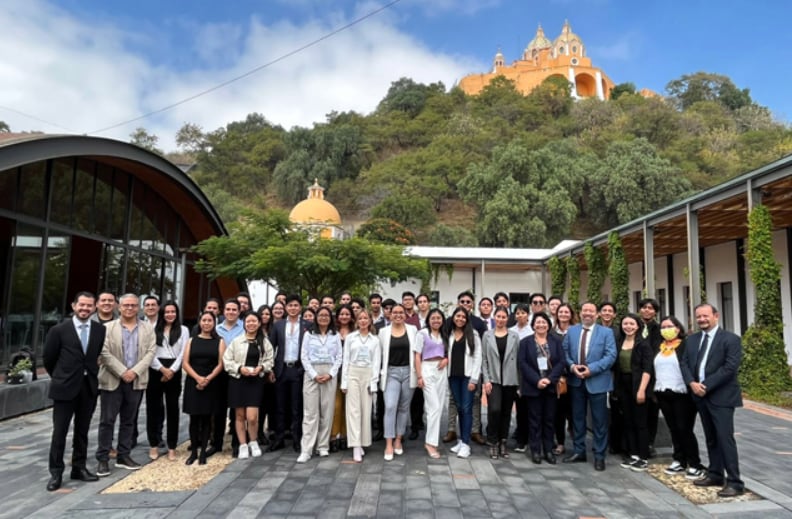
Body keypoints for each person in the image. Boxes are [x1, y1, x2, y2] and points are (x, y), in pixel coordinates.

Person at [680, 303, 744, 497]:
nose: (702, 320)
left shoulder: (731, 339)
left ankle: (735, 481)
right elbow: (684, 363)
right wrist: (691, 383)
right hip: (699, 396)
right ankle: (715, 473)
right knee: (711, 437)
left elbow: (729, 367)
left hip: (721, 396)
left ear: (716, 316)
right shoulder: (692, 340)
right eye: (698, 317)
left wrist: (705, 386)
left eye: (705, 316)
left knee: (725, 439)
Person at [44, 291, 106, 491]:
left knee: (82, 431)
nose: (85, 309)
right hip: (64, 388)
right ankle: (56, 472)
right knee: (60, 432)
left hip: (88, 388)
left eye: (89, 306)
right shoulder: (59, 330)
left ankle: (78, 467)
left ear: (94, 308)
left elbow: (93, 356)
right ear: (73, 305)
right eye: (82, 305)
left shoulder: (99, 330)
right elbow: (49, 359)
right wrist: (62, 377)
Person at [95, 293, 156, 477]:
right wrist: (123, 371)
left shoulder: (147, 328)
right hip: (112, 380)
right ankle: (103, 458)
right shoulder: (106, 328)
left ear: (138, 308)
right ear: (118, 307)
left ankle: (124, 455)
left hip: (136, 381)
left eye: (133, 305)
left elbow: (151, 352)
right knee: (107, 421)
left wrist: (134, 372)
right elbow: (104, 353)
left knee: (129, 421)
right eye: (126, 305)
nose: (129, 308)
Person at [562, 301, 617, 471]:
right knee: (577, 418)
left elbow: (611, 355)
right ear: (580, 312)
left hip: (597, 381)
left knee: (599, 420)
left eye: (591, 311)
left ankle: (599, 455)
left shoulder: (606, 332)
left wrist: (591, 369)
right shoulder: (572, 331)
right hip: (576, 381)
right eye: (585, 310)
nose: (587, 313)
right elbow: (564, 352)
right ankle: (579, 451)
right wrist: (572, 367)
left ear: (597, 314)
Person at [654, 315, 705, 480]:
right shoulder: (659, 347)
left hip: (682, 393)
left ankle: (695, 463)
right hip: (663, 392)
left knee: (685, 428)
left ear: (678, 328)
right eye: (663, 327)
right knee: (673, 429)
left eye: (669, 326)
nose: (666, 330)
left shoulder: (685, 345)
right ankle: (679, 459)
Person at [224, 311, 274, 459]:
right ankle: (243, 445)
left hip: (255, 381)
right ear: (244, 324)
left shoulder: (264, 342)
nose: (251, 324)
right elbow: (227, 360)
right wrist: (240, 368)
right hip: (238, 380)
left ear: (259, 323)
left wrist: (262, 368)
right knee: (239, 415)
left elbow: (270, 360)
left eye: (254, 321)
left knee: (252, 417)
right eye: (248, 321)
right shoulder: (237, 341)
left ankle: (253, 441)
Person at [297, 306, 343, 463]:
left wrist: (331, 374)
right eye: (320, 315)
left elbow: (339, 357)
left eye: (326, 315)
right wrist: (314, 375)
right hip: (312, 373)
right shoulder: (309, 335)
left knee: (327, 411)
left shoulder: (335, 335)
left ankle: (323, 446)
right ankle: (307, 449)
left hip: (329, 373)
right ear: (316, 318)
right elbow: (303, 357)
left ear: (330, 318)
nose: (323, 318)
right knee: (310, 413)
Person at [519, 312, 564, 464]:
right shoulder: (525, 342)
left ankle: (548, 450)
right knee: (534, 420)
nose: (541, 325)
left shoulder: (556, 341)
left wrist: (550, 380)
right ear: (533, 325)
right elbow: (523, 364)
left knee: (549, 419)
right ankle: (536, 450)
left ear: (548, 325)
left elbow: (561, 362)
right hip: (533, 387)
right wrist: (537, 380)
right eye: (538, 322)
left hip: (550, 387)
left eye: (544, 322)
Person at [182, 312, 226, 465]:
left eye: (210, 321)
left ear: (214, 323)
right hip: (193, 382)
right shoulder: (191, 341)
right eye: (204, 320)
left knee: (207, 418)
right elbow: (185, 363)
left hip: (211, 382)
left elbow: (221, 363)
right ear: (200, 322)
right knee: (194, 418)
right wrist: (198, 378)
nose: (207, 323)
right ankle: (193, 451)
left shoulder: (219, 341)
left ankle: (203, 453)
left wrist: (208, 378)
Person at [146, 301, 188, 462]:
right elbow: (149, 351)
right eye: (167, 312)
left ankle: (172, 446)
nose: (170, 314)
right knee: (153, 408)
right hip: (155, 368)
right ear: (162, 313)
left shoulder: (183, 330)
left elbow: (183, 352)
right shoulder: (152, 328)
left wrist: (172, 370)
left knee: (172, 409)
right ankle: (154, 444)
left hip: (174, 370)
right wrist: (162, 369)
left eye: (173, 311)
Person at [444, 291, 487, 446]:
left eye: (463, 317)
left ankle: (466, 442)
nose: (460, 319)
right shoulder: (448, 330)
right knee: (459, 406)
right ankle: (461, 441)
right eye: (458, 316)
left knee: (467, 407)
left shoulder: (473, 333)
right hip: (453, 376)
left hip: (468, 377)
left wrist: (474, 379)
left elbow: (478, 357)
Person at [614, 314, 653, 472]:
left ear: (637, 326)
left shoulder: (643, 345)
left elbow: (647, 369)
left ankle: (643, 456)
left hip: (638, 384)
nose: (628, 326)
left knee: (640, 422)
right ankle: (633, 453)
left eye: (631, 324)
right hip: (623, 385)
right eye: (625, 324)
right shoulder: (619, 342)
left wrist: (642, 390)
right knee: (628, 421)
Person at [379, 304, 418, 460]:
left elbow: (417, 352)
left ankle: (398, 440)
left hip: (409, 372)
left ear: (405, 314)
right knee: (390, 406)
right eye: (395, 312)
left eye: (401, 312)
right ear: (390, 314)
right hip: (391, 373)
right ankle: (388, 442)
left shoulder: (413, 330)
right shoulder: (383, 332)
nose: (398, 315)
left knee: (403, 407)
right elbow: (379, 355)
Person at [342, 309, 381, 462]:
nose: (363, 321)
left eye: (366, 318)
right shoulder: (351, 338)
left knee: (366, 410)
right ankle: (355, 445)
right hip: (353, 372)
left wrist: (374, 382)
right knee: (353, 411)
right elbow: (346, 360)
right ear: (357, 321)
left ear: (370, 321)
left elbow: (376, 362)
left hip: (368, 374)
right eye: (361, 318)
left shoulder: (375, 340)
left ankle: (363, 442)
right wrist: (344, 381)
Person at [269, 295, 308, 452]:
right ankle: (279, 438)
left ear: (300, 307)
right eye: (290, 305)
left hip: (298, 369)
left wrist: (303, 369)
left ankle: (297, 438)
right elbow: (271, 348)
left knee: (296, 406)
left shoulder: (307, 325)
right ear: (286, 308)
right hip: (281, 369)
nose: (293, 308)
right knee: (280, 406)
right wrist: (270, 368)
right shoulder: (278, 325)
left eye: (296, 305)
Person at [481, 306, 520, 459]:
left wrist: (519, 383)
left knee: (506, 411)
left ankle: (503, 440)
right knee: (494, 409)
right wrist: (486, 380)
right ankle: (492, 441)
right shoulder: (487, 335)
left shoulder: (514, 336)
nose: (501, 319)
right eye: (498, 316)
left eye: (504, 317)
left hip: (510, 379)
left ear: (507, 318)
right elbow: (484, 359)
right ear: (494, 317)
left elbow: (518, 360)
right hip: (494, 379)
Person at [413, 308, 448, 458]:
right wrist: (419, 376)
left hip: (441, 370)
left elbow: (449, 352)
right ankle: (430, 443)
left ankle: (433, 440)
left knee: (439, 408)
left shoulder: (445, 334)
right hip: (426, 369)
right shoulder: (422, 333)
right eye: (433, 318)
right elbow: (417, 356)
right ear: (428, 320)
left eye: (439, 318)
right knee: (433, 407)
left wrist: (446, 359)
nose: (436, 320)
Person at [213, 298, 244, 457]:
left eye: (234, 310)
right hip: (219, 372)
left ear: (239, 312)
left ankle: (236, 444)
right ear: (223, 312)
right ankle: (216, 443)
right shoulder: (216, 329)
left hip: (238, 372)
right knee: (218, 409)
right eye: (228, 309)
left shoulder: (245, 328)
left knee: (237, 410)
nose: (231, 312)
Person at [550, 303, 576, 455]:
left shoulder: (577, 332)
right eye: (561, 312)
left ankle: (577, 443)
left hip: (576, 377)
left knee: (575, 413)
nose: (564, 314)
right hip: (557, 378)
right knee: (558, 413)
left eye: (567, 312)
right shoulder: (551, 333)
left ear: (571, 314)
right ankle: (560, 442)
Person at [638, 298, 662, 456]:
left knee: (652, 411)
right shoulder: (633, 325)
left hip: (654, 375)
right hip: (635, 373)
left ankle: (650, 443)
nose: (647, 310)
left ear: (655, 312)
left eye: (651, 308)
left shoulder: (660, 329)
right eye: (644, 307)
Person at [331, 304, 354, 452]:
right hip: (334, 373)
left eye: (347, 314)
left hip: (351, 373)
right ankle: (333, 436)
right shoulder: (332, 332)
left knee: (348, 407)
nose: (344, 317)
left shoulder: (356, 332)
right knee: (336, 406)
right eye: (341, 314)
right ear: (337, 316)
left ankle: (345, 436)